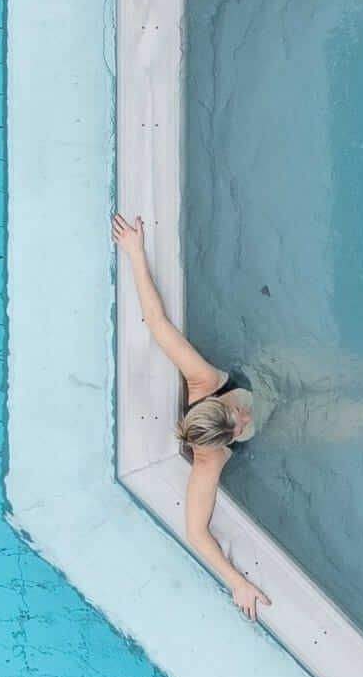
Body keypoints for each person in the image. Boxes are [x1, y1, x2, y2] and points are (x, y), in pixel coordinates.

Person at [112, 213, 270, 619]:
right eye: (236, 429)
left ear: (214, 403)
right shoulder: (208, 462)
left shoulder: (202, 380)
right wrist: (238, 582)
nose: (242, 421)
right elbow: (197, 534)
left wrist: (134, 253)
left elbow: (157, 322)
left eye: (233, 413)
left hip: (265, 380)